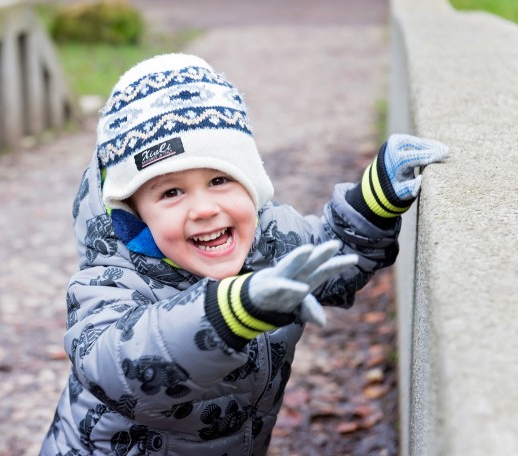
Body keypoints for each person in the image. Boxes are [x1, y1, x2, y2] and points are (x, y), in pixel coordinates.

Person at [39, 53, 448, 455]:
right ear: (134, 213)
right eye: (171, 192)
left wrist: (374, 201)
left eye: (219, 179)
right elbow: (118, 364)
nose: (202, 209)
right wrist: (230, 312)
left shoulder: (272, 239)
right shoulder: (110, 283)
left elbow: (331, 258)